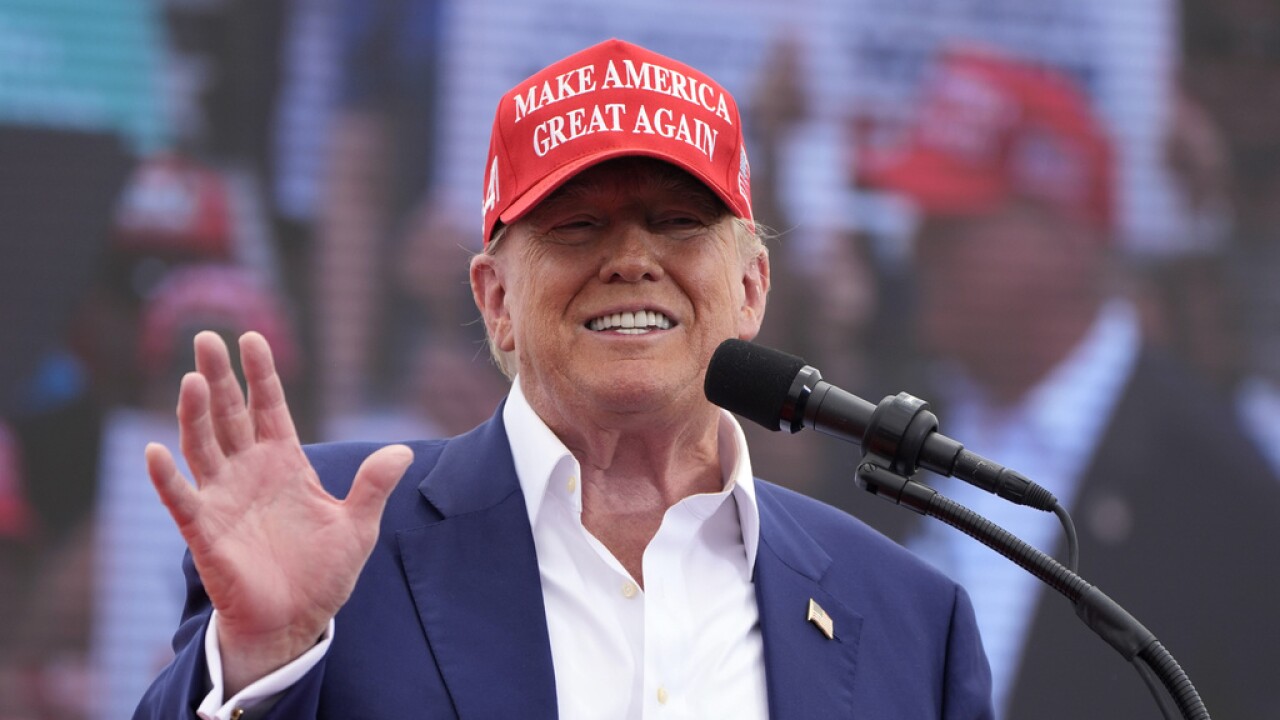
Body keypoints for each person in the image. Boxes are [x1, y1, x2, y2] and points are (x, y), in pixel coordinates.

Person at [133, 39, 993, 719]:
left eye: (678, 222)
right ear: (495, 299)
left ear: (751, 290)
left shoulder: (912, 620)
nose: (631, 260)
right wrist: (262, 664)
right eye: (579, 225)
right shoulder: (332, 532)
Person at [862, 46, 1280, 719]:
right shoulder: (881, 423)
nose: (919, 250)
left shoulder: (1215, 480)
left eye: (954, 223)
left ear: (1065, 237)